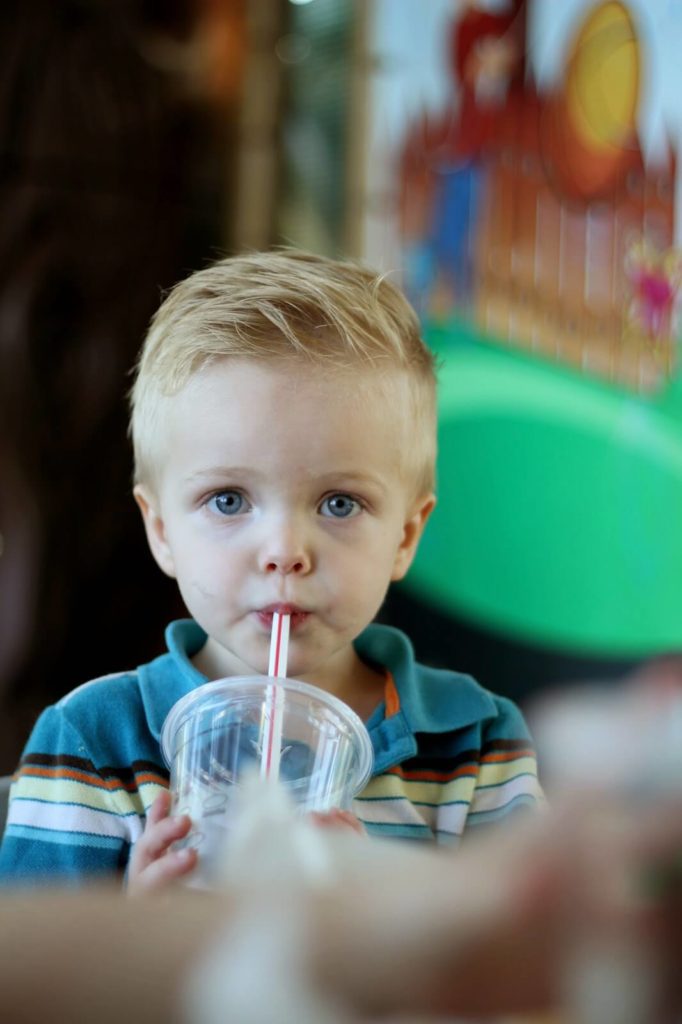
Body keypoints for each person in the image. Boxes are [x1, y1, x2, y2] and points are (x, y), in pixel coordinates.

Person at [0, 249, 543, 888]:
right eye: (228, 500)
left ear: (405, 535)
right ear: (162, 529)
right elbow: (34, 981)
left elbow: (533, 973)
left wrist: (386, 918)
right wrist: (144, 936)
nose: (284, 550)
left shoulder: (476, 746)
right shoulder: (92, 745)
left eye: (340, 503)